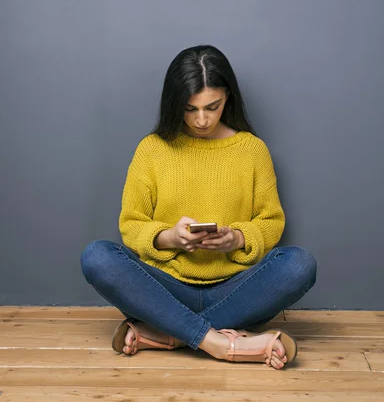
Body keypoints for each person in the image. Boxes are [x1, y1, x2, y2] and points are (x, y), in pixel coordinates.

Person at [80, 44, 317, 369]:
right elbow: (131, 225)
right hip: (164, 288)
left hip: (235, 289)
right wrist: (170, 237)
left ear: (227, 99)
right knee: (97, 256)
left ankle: (168, 333)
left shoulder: (251, 150)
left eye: (212, 106)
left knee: (299, 264)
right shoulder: (152, 150)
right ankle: (221, 343)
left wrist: (237, 238)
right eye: (190, 109)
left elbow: (271, 222)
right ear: (174, 104)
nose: (202, 119)